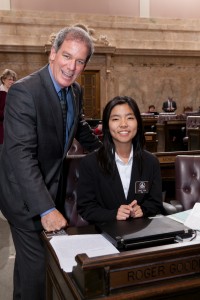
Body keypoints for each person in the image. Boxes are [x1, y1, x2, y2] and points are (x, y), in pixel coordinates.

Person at [0, 26, 101, 300]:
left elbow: (77, 126)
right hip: (22, 194)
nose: (72, 67)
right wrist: (45, 209)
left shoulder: (75, 91)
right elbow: (21, 156)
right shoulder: (23, 92)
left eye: (80, 61)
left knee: (30, 265)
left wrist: (107, 155)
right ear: (53, 53)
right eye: (67, 56)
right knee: (37, 267)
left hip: (48, 187)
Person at [77, 96, 165, 224]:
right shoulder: (90, 163)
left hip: (141, 234)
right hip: (105, 235)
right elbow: (86, 208)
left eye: (130, 118)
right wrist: (113, 214)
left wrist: (143, 210)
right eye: (116, 119)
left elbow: (155, 203)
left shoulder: (151, 162)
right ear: (107, 125)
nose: (123, 124)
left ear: (138, 123)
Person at [0, 69, 17, 153]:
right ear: (3, 80)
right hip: (2, 133)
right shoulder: (1, 94)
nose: (12, 81)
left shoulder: (13, 93)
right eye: (9, 79)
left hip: (12, 132)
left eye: (13, 79)